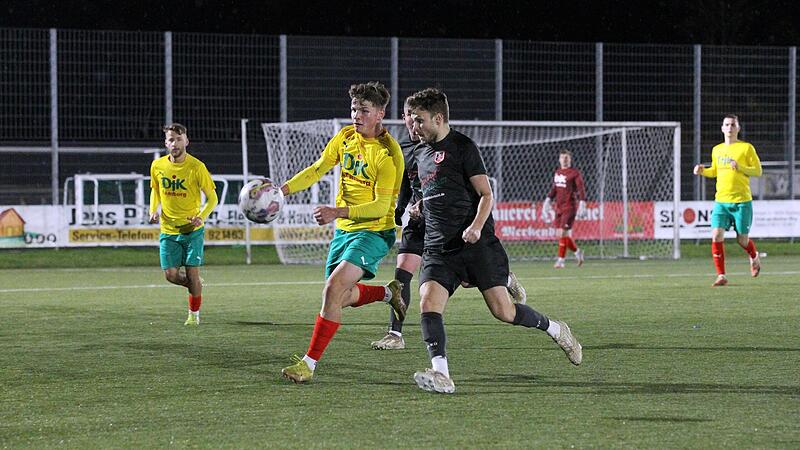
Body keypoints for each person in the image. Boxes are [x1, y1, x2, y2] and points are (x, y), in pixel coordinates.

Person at [407, 88, 582, 394]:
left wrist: (476, 227)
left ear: (438, 118)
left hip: (475, 244)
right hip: (438, 247)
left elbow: (486, 195)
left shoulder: (463, 147)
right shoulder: (418, 154)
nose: (414, 126)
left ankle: (556, 329)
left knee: (504, 312)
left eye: (419, 120)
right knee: (428, 303)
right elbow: (428, 194)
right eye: (412, 119)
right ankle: (441, 374)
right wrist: (418, 209)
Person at [370, 97, 528, 351]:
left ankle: (502, 278)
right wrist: (401, 211)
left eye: (417, 117)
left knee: (468, 279)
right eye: (408, 116)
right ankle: (395, 333)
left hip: (448, 220)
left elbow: (476, 191)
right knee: (402, 274)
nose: (412, 121)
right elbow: (405, 186)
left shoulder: (451, 146)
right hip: (420, 222)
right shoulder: (404, 150)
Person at [280, 81, 406, 383]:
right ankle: (389, 293)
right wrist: (282, 190)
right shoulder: (346, 137)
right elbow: (318, 168)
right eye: (353, 109)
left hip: (374, 232)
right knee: (339, 297)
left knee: (332, 291)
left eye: (363, 110)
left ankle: (308, 365)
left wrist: (336, 211)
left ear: (380, 114)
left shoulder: (389, 154)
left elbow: (379, 207)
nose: (356, 115)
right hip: (344, 232)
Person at [149, 123, 218, 326]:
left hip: (192, 230)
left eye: (179, 139)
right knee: (170, 275)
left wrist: (202, 216)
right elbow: (155, 189)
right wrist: (153, 209)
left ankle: (193, 315)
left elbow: (213, 198)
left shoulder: (197, 167)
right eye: (171, 139)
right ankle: (195, 286)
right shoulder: (158, 166)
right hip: (168, 229)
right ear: (166, 143)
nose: (175, 143)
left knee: (191, 273)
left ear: (186, 141)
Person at [693, 114, 762, 287]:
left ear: (738, 128)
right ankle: (721, 275)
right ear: (722, 128)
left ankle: (754, 256)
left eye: (733, 125)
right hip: (721, 201)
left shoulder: (746, 148)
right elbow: (714, 171)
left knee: (742, 240)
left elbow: (758, 171)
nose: (730, 128)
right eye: (727, 125)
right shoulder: (717, 150)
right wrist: (703, 171)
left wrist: (740, 167)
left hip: (742, 202)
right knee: (716, 235)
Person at [541, 149, 586, 268]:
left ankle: (561, 260)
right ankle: (577, 252)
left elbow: (581, 188)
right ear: (559, 159)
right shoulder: (558, 172)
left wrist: (582, 202)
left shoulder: (574, 173)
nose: (564, 160)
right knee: (561, 234)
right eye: (562, 158)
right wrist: (547, 200)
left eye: (567, 158)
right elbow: (555, 189)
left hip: (570, 207)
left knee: (562, 233)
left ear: (570, 159)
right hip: (559, 207)